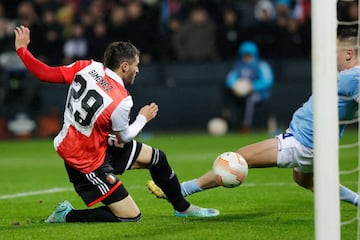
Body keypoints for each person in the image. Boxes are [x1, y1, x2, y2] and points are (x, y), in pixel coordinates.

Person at [14, 25, 219, 223]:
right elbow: (125, 137)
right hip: (84, 161)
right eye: (136, 65)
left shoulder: (86, 66)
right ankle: (67, 214)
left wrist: (22, 50)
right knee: (131, 216)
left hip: (96, 143)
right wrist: (143, 118)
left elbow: (44, 73)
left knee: (157, 158)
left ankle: (182, 208)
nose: (138, 70)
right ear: (124, 66)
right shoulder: (121, 100)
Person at [147, 26, 360, 208]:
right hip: (312, 144)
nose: (330, 55)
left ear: (349, 53)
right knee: (306, 180)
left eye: (335, 50)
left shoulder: (353, 77)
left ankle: (179, 191)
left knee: (237, 158)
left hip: (302, 143)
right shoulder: (348, 76)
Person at [222, 41, 274, 133]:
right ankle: (229, 122)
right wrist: (235, 86)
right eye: (245, 55)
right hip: (240, 94)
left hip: (259, 94)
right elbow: (230, 79)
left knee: (251, 98)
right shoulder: (238, 66)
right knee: (226, 94)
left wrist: (252, 87)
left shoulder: (261, 65)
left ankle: (246, 125)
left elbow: (267, 81)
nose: (247, 57)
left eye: (249, 55)